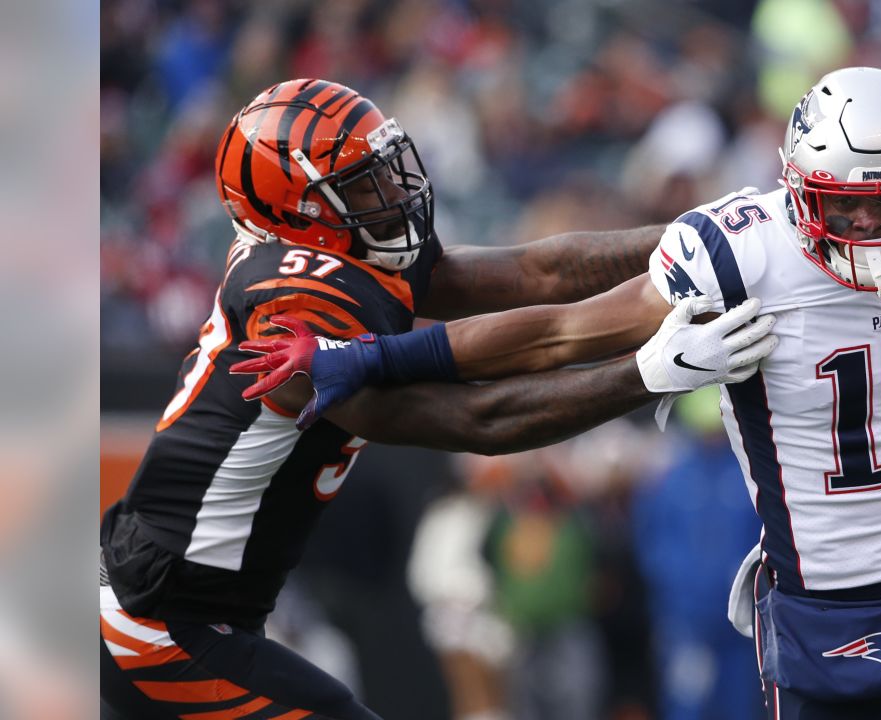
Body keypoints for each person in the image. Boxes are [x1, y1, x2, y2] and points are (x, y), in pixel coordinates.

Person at [242, 67, 881, 718]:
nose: (871, 233)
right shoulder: (746, 251)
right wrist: (367, 362)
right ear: (798, 188)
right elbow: (559, 327)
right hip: (823, 617)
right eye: (845, 209)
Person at [99, 78, 777, 720]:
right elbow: (477, 415)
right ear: (301, 210)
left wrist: (704, 238)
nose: (392, 190)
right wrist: (646, 373)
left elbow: (538, 271)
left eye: (388, 168)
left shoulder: (342, 259)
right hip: (159, 617)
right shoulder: (293, 305)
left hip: (195, 607)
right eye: (362, 183)